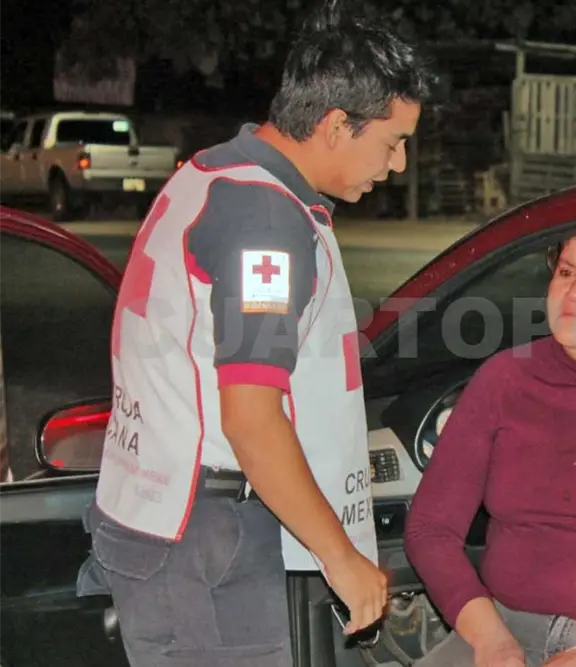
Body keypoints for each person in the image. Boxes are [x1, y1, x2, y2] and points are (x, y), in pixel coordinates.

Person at [74, 3, 435, 665]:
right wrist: (341, 557)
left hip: (168, 527)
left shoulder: (218, 172)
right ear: (333, 125)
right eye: (392, 141)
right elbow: (250, 417)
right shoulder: (265, 223)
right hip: (204, 547)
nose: (399, 164)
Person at [403, 222, 576, 667]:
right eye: (566, 273)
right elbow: (430, 529)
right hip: (501, 625)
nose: (575, 294)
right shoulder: (505, 378)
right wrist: (490, 638)